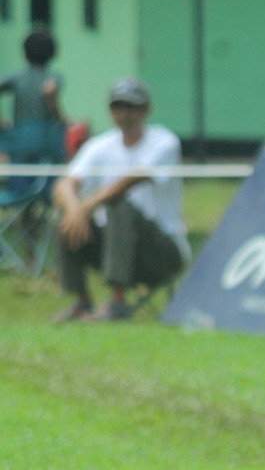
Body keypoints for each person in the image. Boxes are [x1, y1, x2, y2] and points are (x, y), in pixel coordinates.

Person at [52, 77, 190, 322]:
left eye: (131, 107)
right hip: (114, 248)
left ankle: (117, 301)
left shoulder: (164, 142)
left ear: (146, 109)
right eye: (118, 107)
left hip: (162, 252)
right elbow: (64, 185)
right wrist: (75, 209)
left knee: (119, 206)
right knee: (62, 216)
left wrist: (88, 206)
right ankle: (81, 301)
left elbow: (131, 181)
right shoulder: (99, 145)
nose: (124, 114)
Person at [0, 28, 65, 165]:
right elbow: (51, 96)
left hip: (19, 137)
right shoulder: (53, 77)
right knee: (48, 179)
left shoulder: (16, 77)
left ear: (25, 53)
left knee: (19, 178)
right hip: (47, 137)